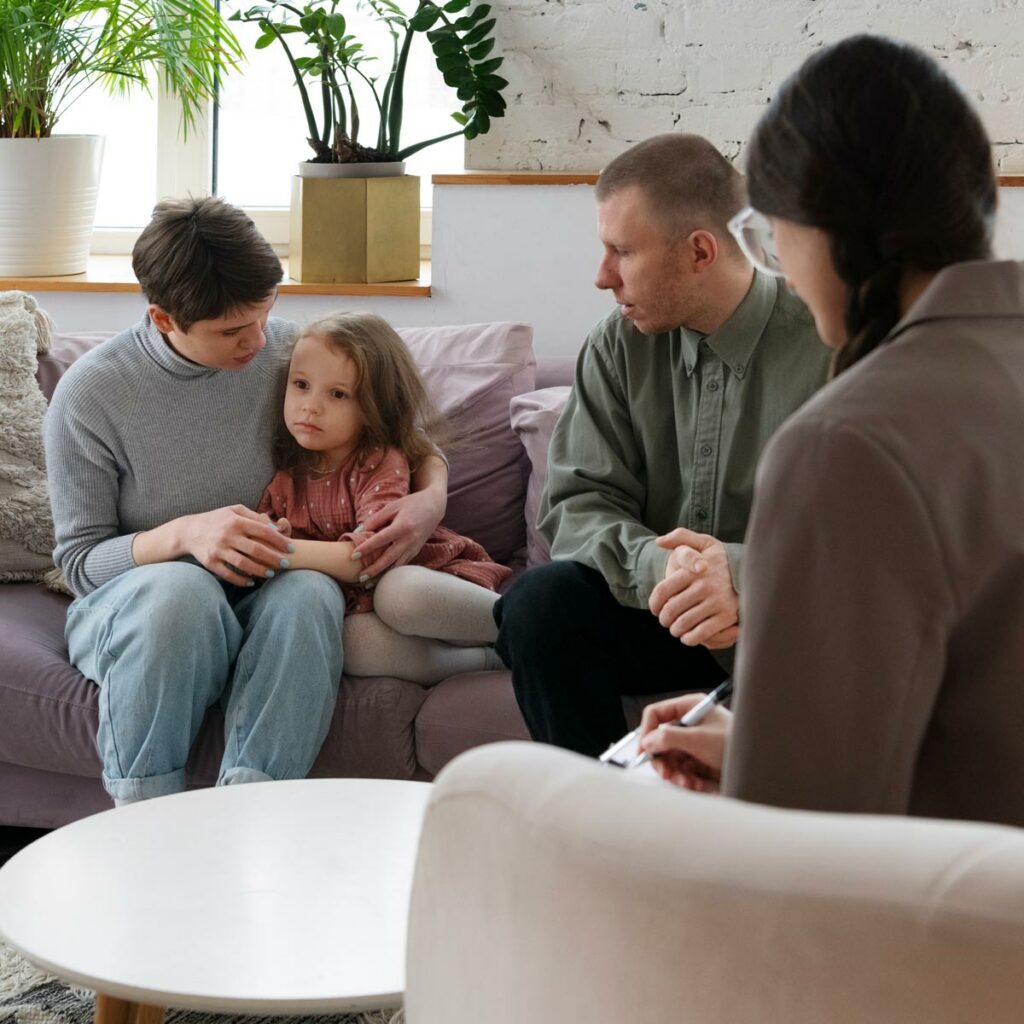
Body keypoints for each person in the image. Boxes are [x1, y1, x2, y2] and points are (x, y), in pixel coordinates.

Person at [637, 35, 1024, 828]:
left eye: (773, 234)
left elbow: (799, 837)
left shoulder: (845, 443)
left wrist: (754, 780)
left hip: (940, 932)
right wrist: (754, 746)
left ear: (821, 225)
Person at [44, 197, 449, 804]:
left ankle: (252, 808)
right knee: (180, 590)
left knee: (312, 592)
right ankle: (143, 817)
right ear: (162, 319)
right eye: (232, 331)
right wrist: (184, 536)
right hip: (147, 608)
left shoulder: (294, 355)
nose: (258, 341)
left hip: (273, 588)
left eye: (265, 314)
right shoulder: (90, 396)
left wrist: (431, 500)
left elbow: (408, 441)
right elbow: (78, 566)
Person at [493, 133, 830, 757]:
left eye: (622, 251)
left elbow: (870, 536)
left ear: (700, 250)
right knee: (538, 603)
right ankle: (599, 819)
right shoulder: (617, 346)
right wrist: (670, 570)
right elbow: (576, 505)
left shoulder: (829, 343)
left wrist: (739, 575)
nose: (602, 276)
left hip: (787, 625)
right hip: (657, 612)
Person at [257, 312, 510, 684]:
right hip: (364, 609)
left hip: (425, 581)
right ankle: (493, 661)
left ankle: (527, 627)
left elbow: (368, 558)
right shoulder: (287, 475)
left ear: (375, 405)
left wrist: (275, 550)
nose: (310, 406)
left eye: (338, 394)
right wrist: (271, 532)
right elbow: (269, 534)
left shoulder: (377, 460)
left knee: (398, 594)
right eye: (301, 385)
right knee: (352, 643)